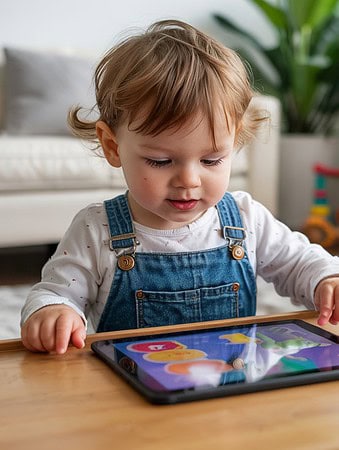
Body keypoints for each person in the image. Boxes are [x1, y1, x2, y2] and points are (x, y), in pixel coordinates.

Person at [21, 20, 339, 354]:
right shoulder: (95, 229)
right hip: (129, 395)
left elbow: (301, 263)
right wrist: (52, 311)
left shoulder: (246, 218)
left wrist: (326, 280)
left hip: (227, 389)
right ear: (113, 147)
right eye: (160, 161)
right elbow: (56, 292)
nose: (189, 180)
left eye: (212, 160)